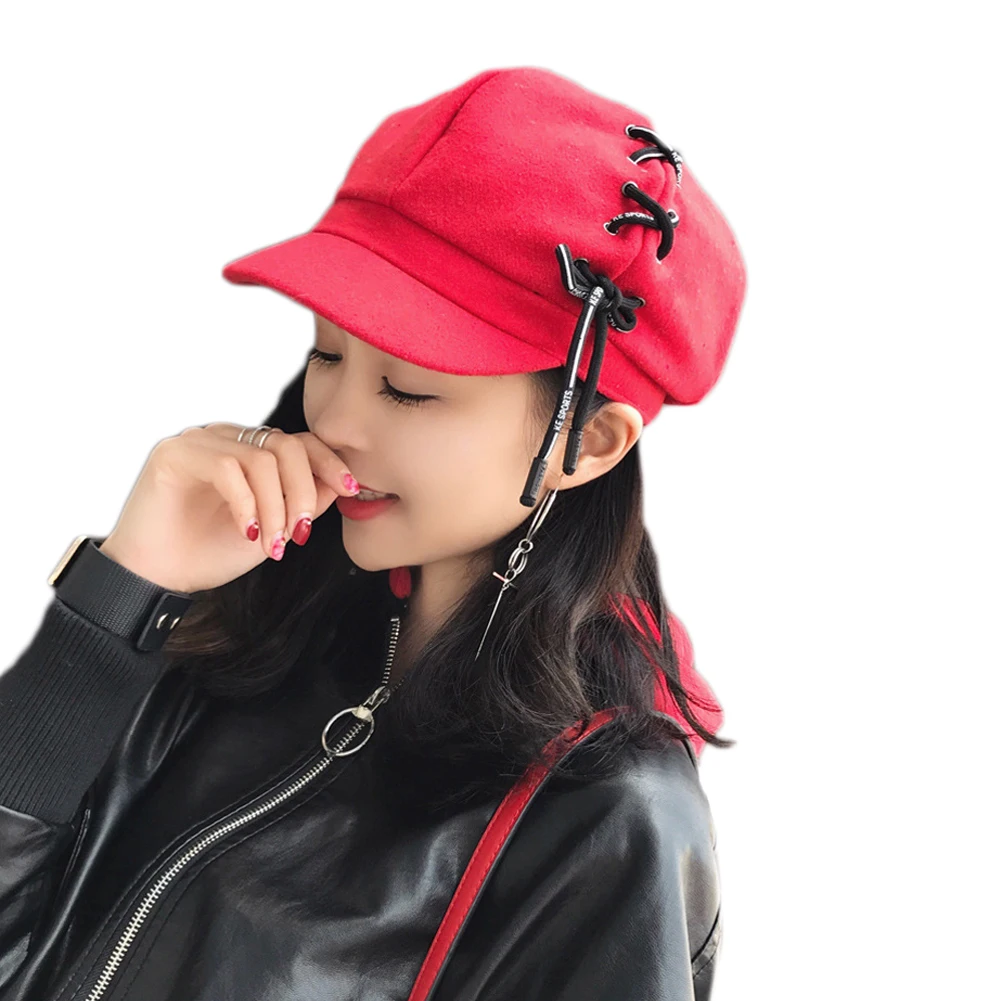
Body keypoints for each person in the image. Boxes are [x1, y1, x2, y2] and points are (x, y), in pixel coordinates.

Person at [0, 65, 746, 1000]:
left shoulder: (610, 815)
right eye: (327, 351)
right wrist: (120, 601)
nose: (337, 419)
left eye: (409, 387)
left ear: (585, 443)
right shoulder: (245, 629)